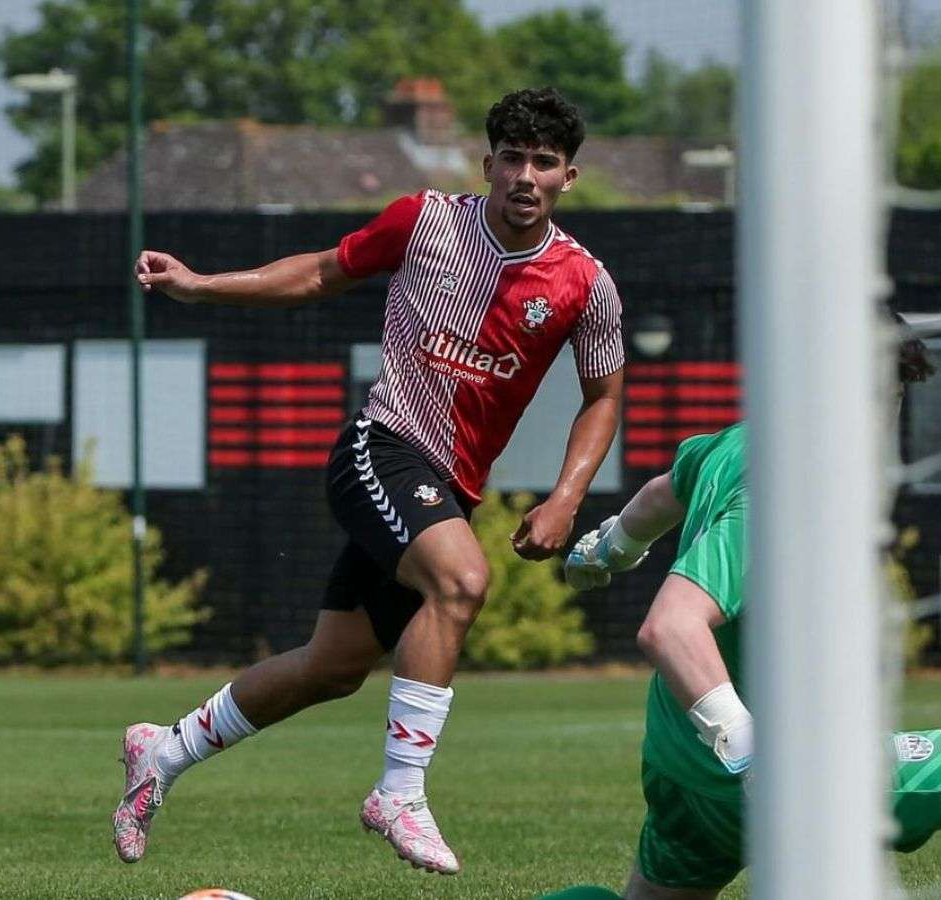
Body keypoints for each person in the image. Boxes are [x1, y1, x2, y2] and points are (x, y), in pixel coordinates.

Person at [114, 87, 626, 875]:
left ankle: (164, 751)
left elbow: (604, 399)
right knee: (461, 580)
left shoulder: (585, 284)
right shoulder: (424, 220)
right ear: (487, 164)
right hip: (381, 445)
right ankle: (400, 791)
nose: (526, 174)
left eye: (545, 162)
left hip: (449, 486)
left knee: (335, 667)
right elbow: (320, 273)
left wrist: (566, 497)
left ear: (570, 176)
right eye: (513, 158)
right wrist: (199, 284)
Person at [548, 320, 941, 899]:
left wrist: (605, 551)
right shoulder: (783, 492)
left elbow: (661, 493)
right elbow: (670, 626)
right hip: (783, 774)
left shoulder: (733, 445)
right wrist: (752, 754)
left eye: (892, 393)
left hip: (679, 769)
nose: (882, 413)